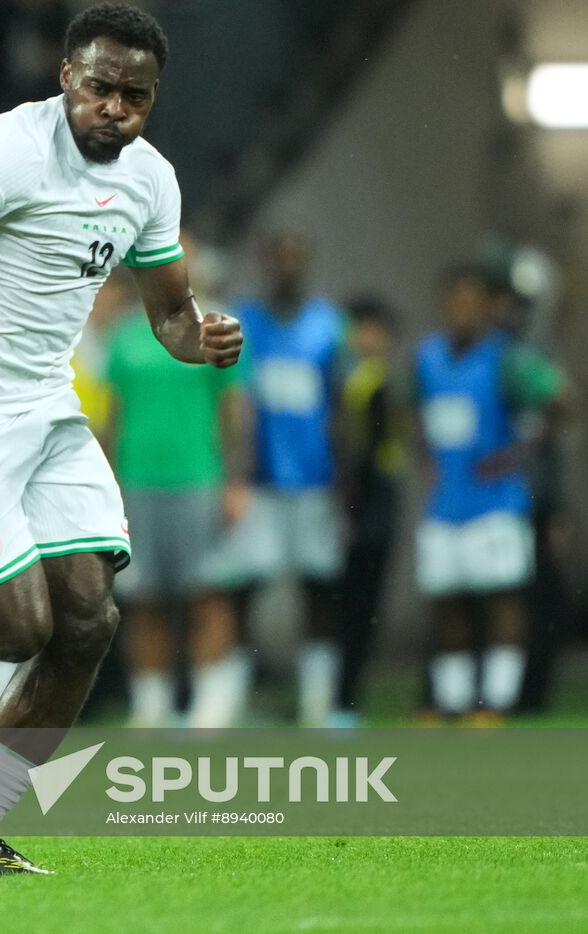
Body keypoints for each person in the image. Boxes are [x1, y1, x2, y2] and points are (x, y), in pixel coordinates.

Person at [0, 3, 241, 874]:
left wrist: (201, 341)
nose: (115, 108)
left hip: (46, 406)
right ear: (67, 76)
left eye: (134, 96)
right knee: (19, 628)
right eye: (99, 87)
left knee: (89, 621)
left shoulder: (151, 181)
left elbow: (171, 316)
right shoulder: (13, 149)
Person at [103, 255, 252, 729]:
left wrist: (236, 481)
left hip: (199, 479)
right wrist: (107, 486)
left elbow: (234, 411)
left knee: (206, 593)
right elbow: (113, 418)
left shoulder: (215, 329)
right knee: (143, 597)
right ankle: (151, 706)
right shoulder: (125, 335)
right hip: (138, 481)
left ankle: (213, 704)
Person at [415, 262, 564, 721]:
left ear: (485, 308)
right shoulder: (427, 357)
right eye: (454, 300)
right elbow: (412, 413)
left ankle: (498, 701)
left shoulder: (509, 359)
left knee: (502, 600)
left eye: (471, 302)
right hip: (445, 505)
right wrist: (424, 457)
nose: (461, 310)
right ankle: (451, 701)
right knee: (446, 603)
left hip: (496, 503)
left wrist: (519, 452)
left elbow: (561, 403)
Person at [229, 229, 347, 726]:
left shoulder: (327, 326)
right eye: (278, 258)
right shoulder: (244, 322)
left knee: (318, 591)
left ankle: (316, 704)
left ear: (309, 264)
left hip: (315, 482)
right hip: (258, 483)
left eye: (296, 258)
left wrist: (344, 481)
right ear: (264, 264)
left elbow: (341, 406)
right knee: (242, 590)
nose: (287, 268)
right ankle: (231, 699)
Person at [335, 296, 405, 724]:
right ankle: (342, 697)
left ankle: (347, 697)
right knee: (355, 603)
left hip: (373, 498)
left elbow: (364, 450)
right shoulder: (360, 380)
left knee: (361, 602)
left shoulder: (372, 381)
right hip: (366, 499)